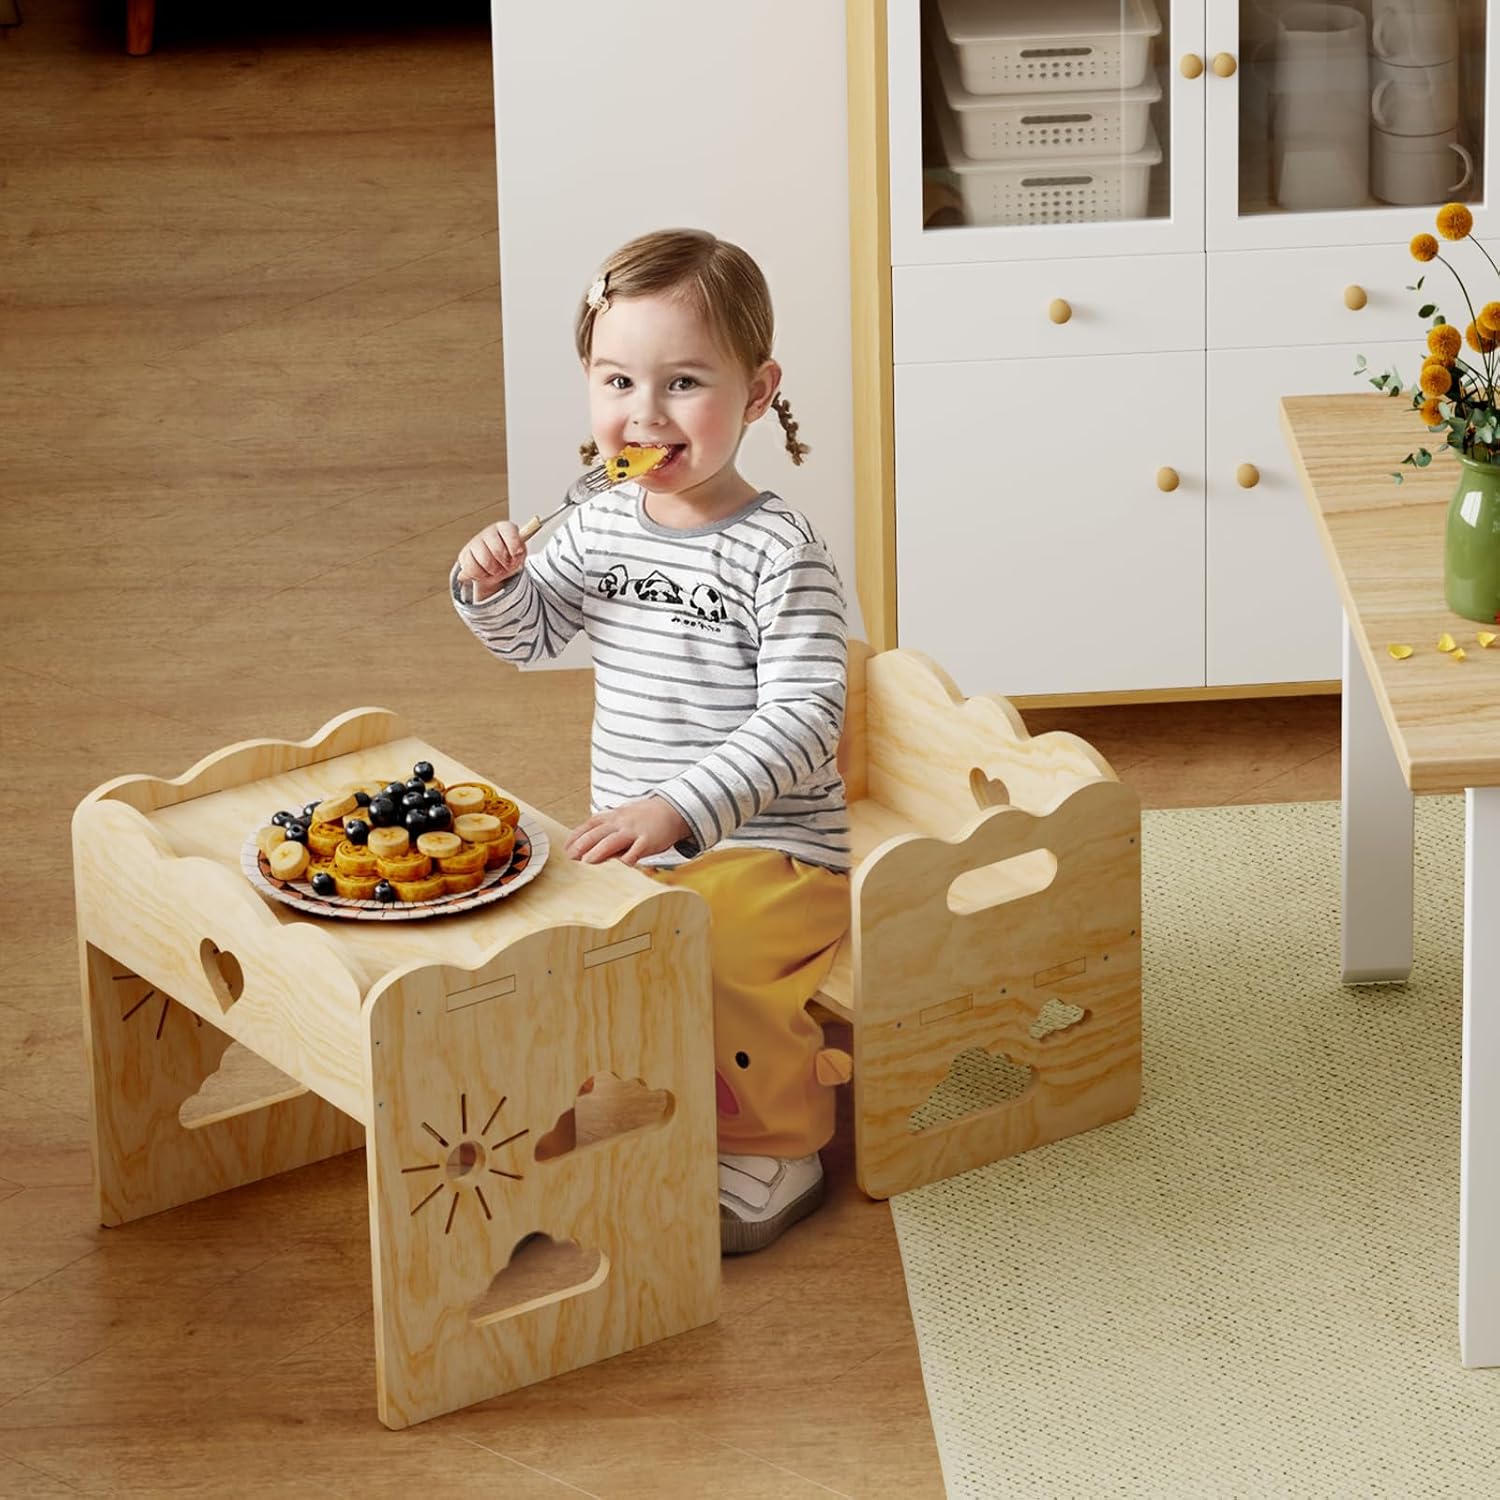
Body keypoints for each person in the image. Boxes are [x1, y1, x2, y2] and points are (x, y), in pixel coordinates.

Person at [451, 228, 851, 1254]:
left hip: (772, 852)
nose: (646, 413)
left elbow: (808, 719)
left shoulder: (780, 551)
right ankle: (631, 1100)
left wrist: (680, 807)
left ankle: (776, 1143)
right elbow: (533, 635)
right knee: (573, 949)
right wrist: (491, 588)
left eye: (684, 383)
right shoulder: (599, 523)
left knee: (718, 956)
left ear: (757, 394)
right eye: (618, 380)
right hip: (635, 840)